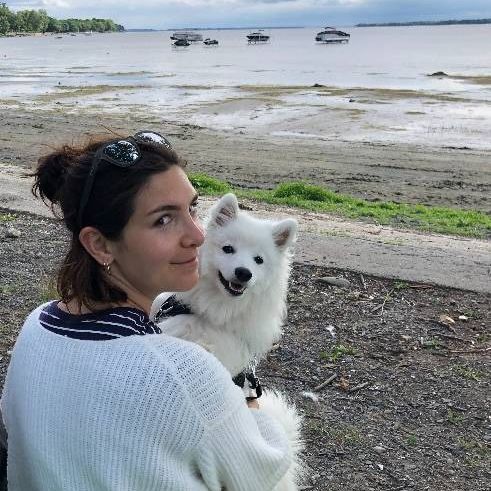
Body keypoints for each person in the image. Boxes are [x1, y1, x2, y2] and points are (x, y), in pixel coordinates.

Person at [0, 131, 290, 490]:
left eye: (192, 209)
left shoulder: (36, 326)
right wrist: (248, 399)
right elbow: (261, 472)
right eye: (163, 220)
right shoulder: (184, 372)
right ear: (100, 244)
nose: (198, 235)